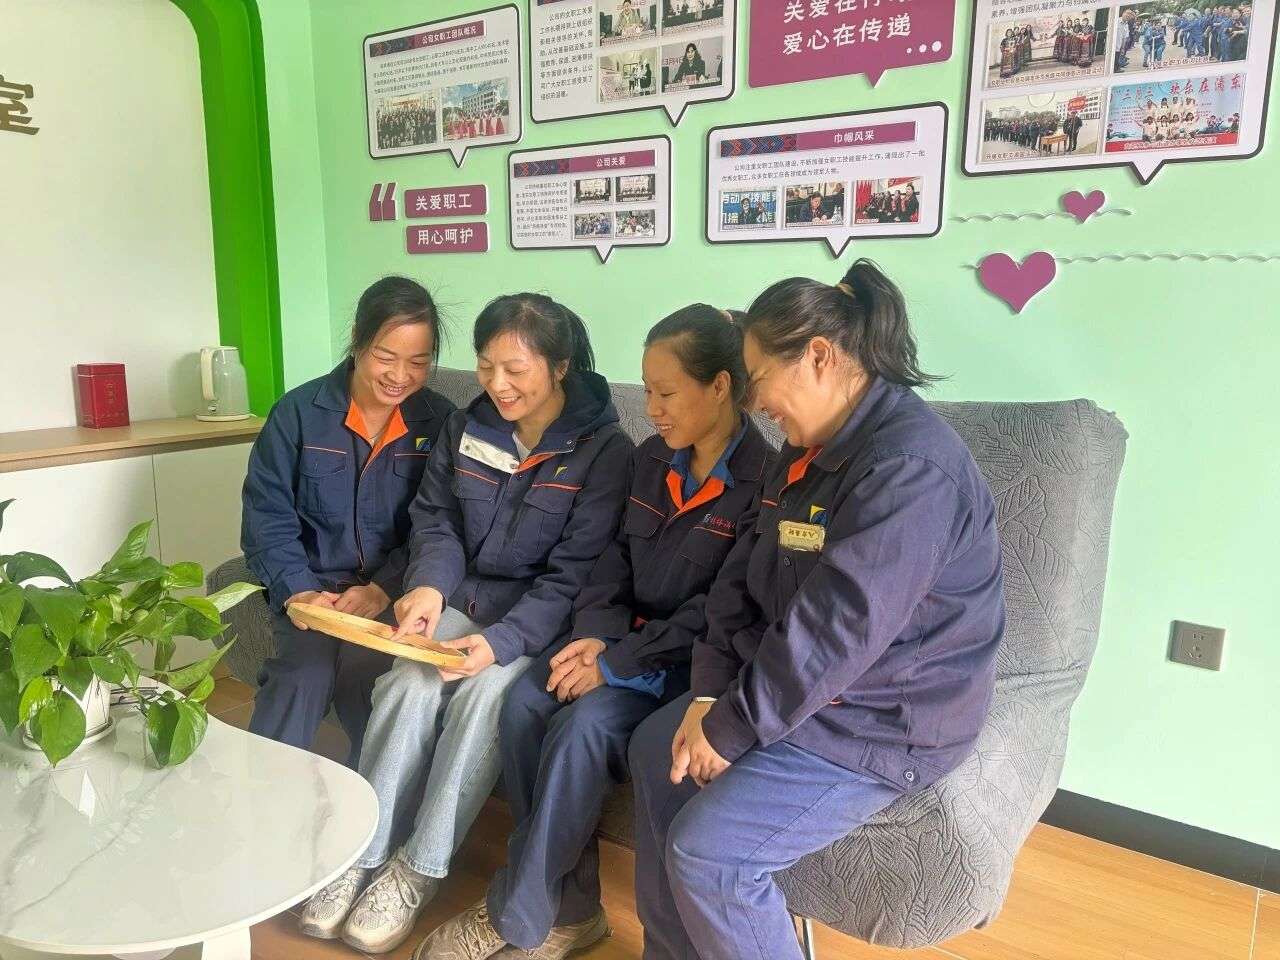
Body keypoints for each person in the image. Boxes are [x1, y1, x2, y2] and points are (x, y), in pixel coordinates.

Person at [626, 260, 1006, 960]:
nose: (753, 399)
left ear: (820, 358)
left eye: (758, 377)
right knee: (658, 751)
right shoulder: (805, 453)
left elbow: (836, 633)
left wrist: (731, 727)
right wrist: (708, 693)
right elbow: (738, 580)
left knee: (712, 856)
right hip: (808, 691)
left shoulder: (910, 471)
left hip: (882, 719)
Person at [416, 306, 776, 960]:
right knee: (525, 702)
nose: (652, 409)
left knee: (581, 727)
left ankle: (515, 916)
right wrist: (594, 638)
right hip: (616, 643)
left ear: (720, 386)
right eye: (648, 391)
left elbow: (721, 611)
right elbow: (608, 562)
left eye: (666, 394)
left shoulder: (763, 484)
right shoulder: (648, 461)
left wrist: (616, 663)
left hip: (686, 667)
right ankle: (575, 910)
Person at [298, 295, 633, 953]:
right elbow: (438, 521)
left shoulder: (606, 451)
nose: (497, 385)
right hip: (464, 599)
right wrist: (427, 587)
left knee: (484, 698)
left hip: (540, 622)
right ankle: (363, 852)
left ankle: (417, 870)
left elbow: (575, 575)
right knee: (407, 684)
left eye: (515, 370)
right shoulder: (467, 427)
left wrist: (501, 643)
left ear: (560, 366)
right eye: (485, 366)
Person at [243, 277, 454, 768]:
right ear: (359, 339)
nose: (400, 376)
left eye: (418, 362)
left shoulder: (441, 421)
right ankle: (262, 796)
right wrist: (298, 591)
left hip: (394, 594)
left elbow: (440, 524)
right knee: (302, 677)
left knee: (370, 683)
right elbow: (267, 517)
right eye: (386, 356)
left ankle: (372, 808)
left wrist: (383, 589)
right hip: (313, 590)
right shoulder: (298, 413)